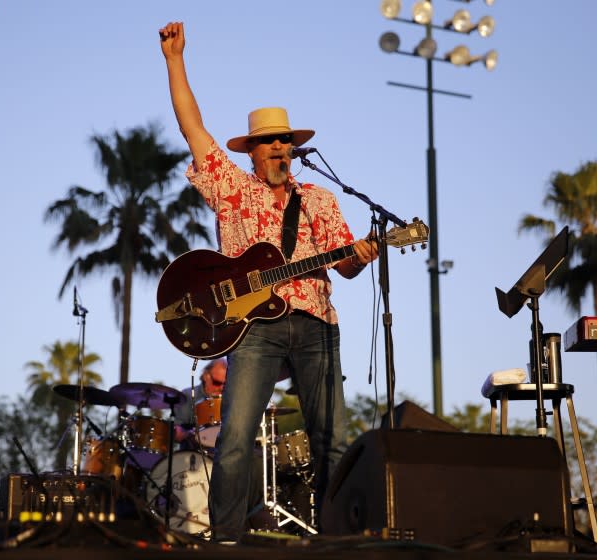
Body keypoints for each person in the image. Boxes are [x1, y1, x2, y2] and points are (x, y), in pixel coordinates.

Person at [159, 21, 378, 542]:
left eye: (285, 140)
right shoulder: (233, 190)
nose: (279, 147)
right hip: (253, 330)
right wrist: (175, 60)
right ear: (252, 151)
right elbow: (193, 129)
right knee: (234, 436)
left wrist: (363, 256)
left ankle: (335, 540)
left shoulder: (321, 200)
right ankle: (226, 538)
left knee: (332, 439)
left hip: (317, 323)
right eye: (268, 142)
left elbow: (345, 265)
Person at [174, 358, 227, 448]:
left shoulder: (230, 399)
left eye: (225, 384)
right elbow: (177, 432)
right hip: (191, 455)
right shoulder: (187, 396)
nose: (221, 388)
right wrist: (189, 434)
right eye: (217, 383)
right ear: (206, 376)